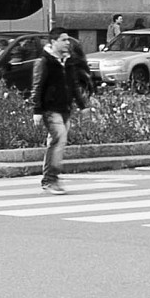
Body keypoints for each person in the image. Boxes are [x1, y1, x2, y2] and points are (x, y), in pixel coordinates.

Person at [30, 31, 86, 193]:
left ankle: (49, 177)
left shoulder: (68, 61)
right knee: (59, 139)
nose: (67, 43)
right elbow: (37, 86)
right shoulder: (44, 61)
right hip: (50, 108)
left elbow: (74, 85)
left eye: (68, 40)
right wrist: (37, 110)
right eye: (63, 40)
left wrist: (83, 105)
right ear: (53, 42)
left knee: (55, 142)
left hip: (65, 107)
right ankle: (50, 180)